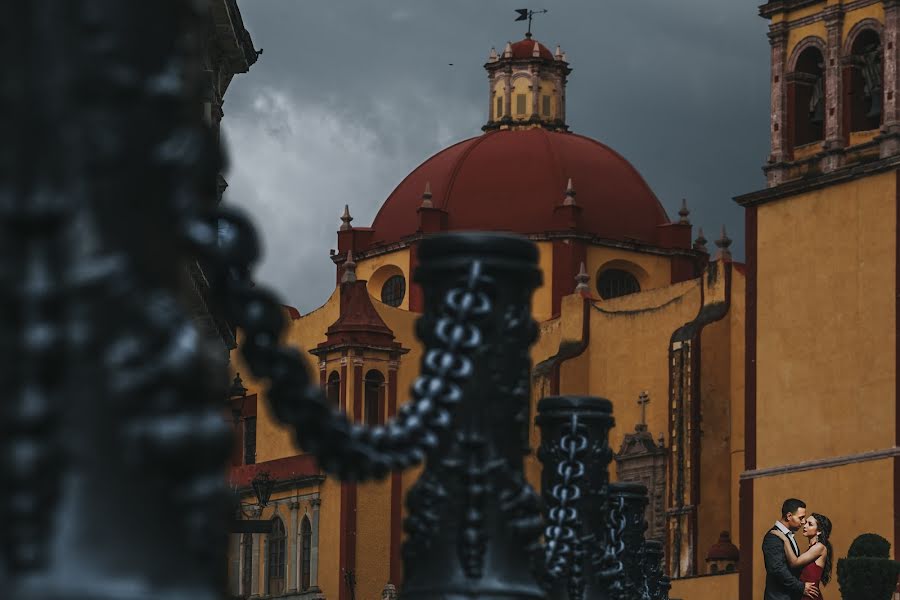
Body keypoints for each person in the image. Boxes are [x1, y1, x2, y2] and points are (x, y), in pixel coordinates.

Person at [762, 498, 820, 600]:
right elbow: (777, 570)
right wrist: (801, 587)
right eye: (800, 518)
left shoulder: (788, 536)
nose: (803, 522)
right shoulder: (773, 537)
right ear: (789, 516)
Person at [771, 512, 833, 600]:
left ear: (819, 531)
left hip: (810, 597)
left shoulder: (820, 547)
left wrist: (785, 539)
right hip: (803, 595)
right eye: (806, 522)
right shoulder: (811, 549)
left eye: (810, 524)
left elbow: (794, 563)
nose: (805, 525)